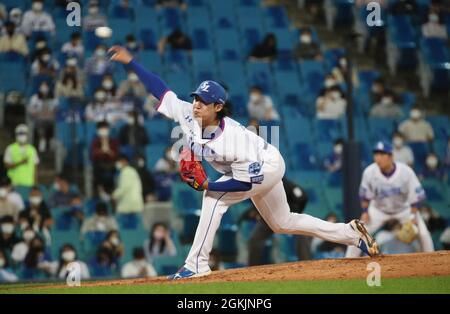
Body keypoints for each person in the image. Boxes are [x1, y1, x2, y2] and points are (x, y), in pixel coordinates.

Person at [108, 45, 379, 279]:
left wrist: (209, 187)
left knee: (214, 199)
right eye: (196, 98)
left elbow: (248, 181)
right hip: (248, 170)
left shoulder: (232, 139)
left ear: (218, 107)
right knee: (282, 222)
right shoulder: (188, 115)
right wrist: (131, 62)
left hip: (266, 167)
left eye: (204, 101)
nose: (196, 104)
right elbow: (161, 90)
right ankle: (351, 233)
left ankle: (196, 265)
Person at [345, 141, 434, 257]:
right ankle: (347, 261)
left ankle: (433, 260)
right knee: (358, 233)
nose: (378, 158)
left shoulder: (405, 172)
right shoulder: (369, 172)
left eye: (382, 154)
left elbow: (416, 197)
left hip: (403, 210)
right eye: (376, 154)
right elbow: (364, 196)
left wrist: (412, 217)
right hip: (378, 210)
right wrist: (365, 212)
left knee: (423, 234)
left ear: (391, 156)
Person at [246, 178, 311, 265]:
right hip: (269, 218)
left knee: (303, 234)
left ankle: (306, 264)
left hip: (288, 217)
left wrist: (297, 212)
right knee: (254, 239)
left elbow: (303, 197)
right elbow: (256, 202)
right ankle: (252, 267)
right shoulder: (260, 184)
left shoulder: (284, 183)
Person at [28, 81, 58, 153]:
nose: (44, 89)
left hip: (51, 118)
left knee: (55, 124)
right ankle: (42, 141)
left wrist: (51, 113)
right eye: (42, 87)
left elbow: (56, 110)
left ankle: (52, 141)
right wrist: (39, 113)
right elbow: (30, 110)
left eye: (45, 87)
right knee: (40, 123)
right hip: (39, 118)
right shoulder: (34, 98)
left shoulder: (54, 99)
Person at [90, 121, 119, 193]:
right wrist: (102, 151)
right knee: (97, 169)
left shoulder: (113, 141)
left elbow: (116, 155)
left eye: (105, 128)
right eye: (101, 128)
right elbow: (93, 155)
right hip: (99, 164)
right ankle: (98, 191)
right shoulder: (95, 142)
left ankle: (111, 191)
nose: (103, 130)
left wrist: (109, 151)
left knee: (112, 170)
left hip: (111, 164)